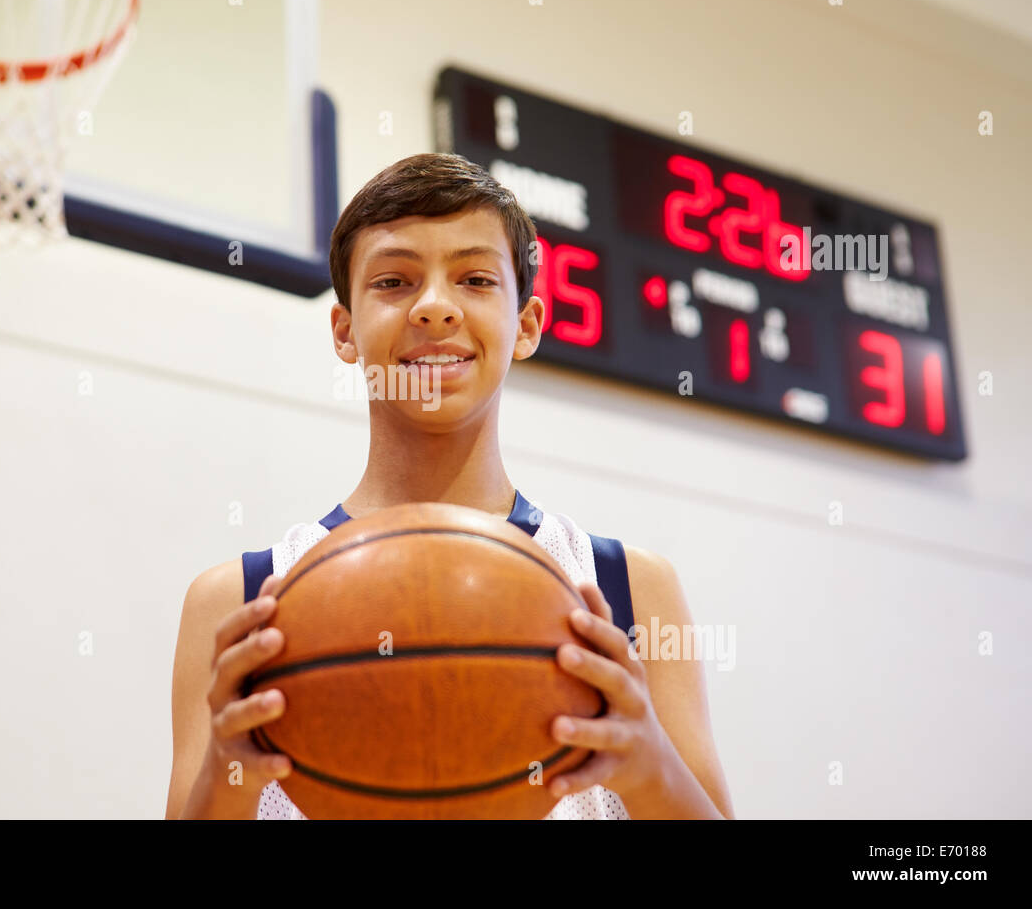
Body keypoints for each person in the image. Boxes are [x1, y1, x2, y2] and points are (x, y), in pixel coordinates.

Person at [165, 153, 734, 820]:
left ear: (526, 326)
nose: (435, 307)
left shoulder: (631, 589)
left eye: (475, 279)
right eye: (394, 281)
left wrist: (648, 765)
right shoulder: (235, 601)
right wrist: (229, 774)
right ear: (345, 332)